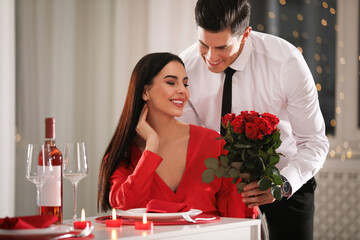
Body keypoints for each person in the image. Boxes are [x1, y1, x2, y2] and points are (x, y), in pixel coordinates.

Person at [177, 0, 329, 239]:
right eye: (203, 45)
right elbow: (192, 141)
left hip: (287, 180)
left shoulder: (286, 63)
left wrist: (283, 184)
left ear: (246, 34)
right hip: (221, 187)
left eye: (222, 47)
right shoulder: (184, 68)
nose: (211, 58)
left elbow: (314, 142)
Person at [97, 52, 257, 219]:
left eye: (185, 84)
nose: (182, 91)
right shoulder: (124, 155)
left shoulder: (213, 143)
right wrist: (151, 147)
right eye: (171, 82)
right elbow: (126, 205)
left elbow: (237, 213)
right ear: (145, 92)